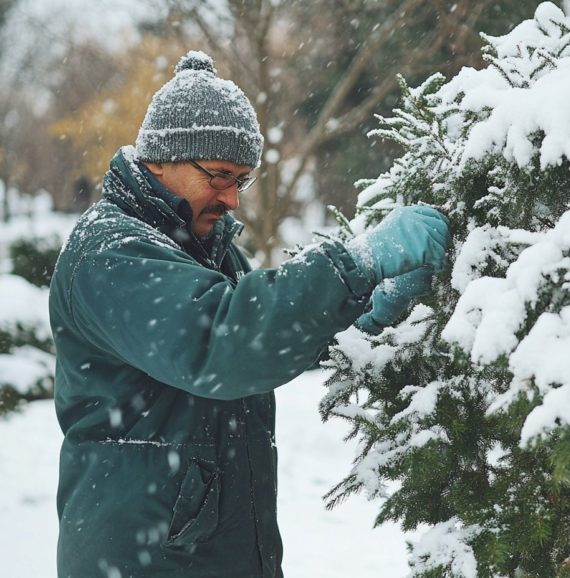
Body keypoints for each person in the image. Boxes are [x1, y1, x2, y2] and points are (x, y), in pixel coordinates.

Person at [49, 51, 449, 578]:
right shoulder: (111, 252)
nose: (233, 198)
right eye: (219, 176)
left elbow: (265, 335)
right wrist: (357, 262)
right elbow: (222, 343)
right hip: (144, 561)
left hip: (214, 550)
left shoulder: (202, 244)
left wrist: (361, 317)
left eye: (242, 179)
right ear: (163, 159)